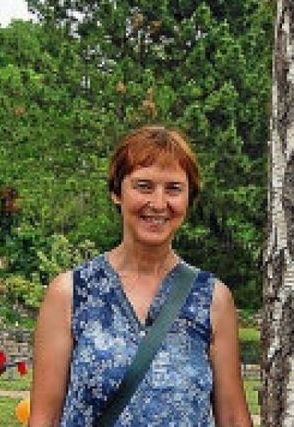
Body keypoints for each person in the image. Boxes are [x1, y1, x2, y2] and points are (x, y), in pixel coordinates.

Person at [30, 125, 250, 427]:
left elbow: (234, 418)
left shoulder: (212, 299)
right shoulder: (71, 293)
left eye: (173, 188)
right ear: (116, 192)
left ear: (188, 199)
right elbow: (44, 418)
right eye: (144, 186)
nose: (158, 203)